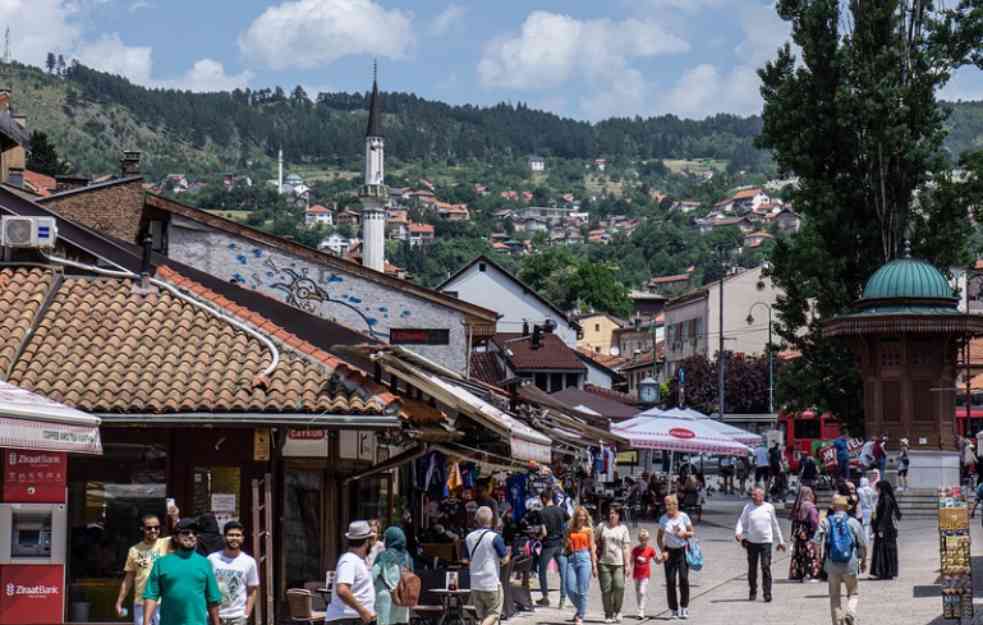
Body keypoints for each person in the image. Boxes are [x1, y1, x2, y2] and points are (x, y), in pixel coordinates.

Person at [143, 518, 222, 625]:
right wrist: (146, 621)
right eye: (185, 533)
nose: (191, 536)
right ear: (175, 538)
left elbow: (213, 599)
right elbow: (151, 595)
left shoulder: (205, 563)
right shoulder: (161, 563)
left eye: (194, 533)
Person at [814, 495, 866, 625]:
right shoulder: (853, 522)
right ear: (845, 508)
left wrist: (818, 557)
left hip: (832, 564)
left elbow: (816, 541)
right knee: (853, 593)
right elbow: (863, 544)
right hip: (851, 563)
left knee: (835, 597)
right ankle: (850, 613)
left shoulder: (826, 521)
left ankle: (838, 623)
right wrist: (863, 561)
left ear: (834, 507)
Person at [115, 514, 172, 625]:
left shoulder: (166, 543)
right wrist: (119, 602)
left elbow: (179, 535)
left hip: (163, 602)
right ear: (143, 529)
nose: (153, 530)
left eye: (156, 527)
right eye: (149, 528)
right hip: (141, 602)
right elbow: (128, 579)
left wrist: (174, 517)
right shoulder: (134, 550)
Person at [735, 487, 785, 602]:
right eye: (752, 495)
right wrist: (738, 532)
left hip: (766, 542)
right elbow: (741, 521)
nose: (752, 497)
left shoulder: (769, 507)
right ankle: (753, 591)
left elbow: (775, 524)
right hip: (751, 542)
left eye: (755, 495)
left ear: (762, 496)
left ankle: (767, 593)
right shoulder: (748, 507)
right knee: (752, 568)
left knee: (765, 566)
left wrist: (781, 541)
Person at [207, 521, 259, 625]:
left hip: (237, 618)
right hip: (214, 616)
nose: (234, 538)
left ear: (242, 539)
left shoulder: (249, 561)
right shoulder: (211, 559)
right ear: (224, 537)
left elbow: (252, 590)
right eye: (230, 535)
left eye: (238, 535)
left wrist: (246, 615)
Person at [325, 521, 377, 625]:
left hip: (355, 619)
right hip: (348, 620)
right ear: (367, 542)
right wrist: (362, 611)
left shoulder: (357, 560)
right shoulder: (349, 560)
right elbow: (342, 590)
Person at [466, 506, 510, 625]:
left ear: (476, 520)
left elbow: (465, 560)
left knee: (482, 616)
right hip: (491, 582)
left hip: (475, 583)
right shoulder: (495, 538)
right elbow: (505, 559)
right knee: (494, 614)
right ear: (491, 520)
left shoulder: (468, 537)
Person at [658, 495, 694, 620]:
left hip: (682, 551)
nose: (667, 507)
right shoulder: (663, 519)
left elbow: (692, 532)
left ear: (675, 505)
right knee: (671, 581)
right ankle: (673, 609)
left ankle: (684, 607)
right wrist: (663, 551)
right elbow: (659, 537)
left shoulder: (683, 516)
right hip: (669, 552)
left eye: (669, 504)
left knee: (684, 579)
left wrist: (685, 534)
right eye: (665, 504)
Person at [596, 506, 631, 624]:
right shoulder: (602, 527)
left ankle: (618, 610)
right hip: (604, 562)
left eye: (615, 513)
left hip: (619, 563)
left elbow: (626, 547)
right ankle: (608, 614)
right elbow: (595, 543)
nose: (612, 515)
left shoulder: (623, 528)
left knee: (619, 586)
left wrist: (627, 564)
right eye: (610, 513)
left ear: (619, 515)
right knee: (606, 590)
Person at [535, 488, 570, 608]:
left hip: (548, 545)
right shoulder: (561, 510)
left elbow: (544, 532)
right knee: (563, 572)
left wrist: (538, 537)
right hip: (560, 544)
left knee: (542, 570)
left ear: (544, 499)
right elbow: (569, 523)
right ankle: (563, 600)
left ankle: (545, 598)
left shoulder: (542, 512)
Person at [372, 526, 413, 625]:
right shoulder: (407, 556)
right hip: (402, 596)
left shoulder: (384, 555)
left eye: (385, 538)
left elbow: (373, 575)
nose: (383, 540)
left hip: (385, 597)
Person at [565, 506, 597, 625]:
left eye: (583, 515)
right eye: (579, 515)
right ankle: (581, 608)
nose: (581, 517)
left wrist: (594, 565)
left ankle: (580, 616)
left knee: (582, 590)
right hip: (572, 558)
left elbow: (592, 548)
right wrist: (567, 544)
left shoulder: (588, 530)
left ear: (586, 517)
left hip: (584, 558)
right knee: (569, 588)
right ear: (576, 516)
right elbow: (566, 545)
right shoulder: (570, 529)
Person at [869, 481, 902, 580]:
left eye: (877, 489)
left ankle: (884, 572)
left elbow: (885, 515)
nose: (876, 491)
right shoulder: (883, 498)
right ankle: (885, 572)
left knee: (883, 550)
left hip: (885, 529)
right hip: (885, 528)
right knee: (884, 550)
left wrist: (880, 528)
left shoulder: (886, 499)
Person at [788, 487, 821, 582]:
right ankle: (809, 574)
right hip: (808, 533)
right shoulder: (810, 506)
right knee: (810, 553)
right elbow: (814, 521)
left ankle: (798, 574)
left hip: (800, 533)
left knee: (800, 554)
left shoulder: (799, 505)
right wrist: (816, 529)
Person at [630, 529, 658, 619]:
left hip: (645, 574)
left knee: (642, 591)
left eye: (645, 539)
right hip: (636, 574)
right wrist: (627, 569)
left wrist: (663, 558)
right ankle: (640, 609)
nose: (643, 541)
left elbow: (657, 560)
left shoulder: (650, 550)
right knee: (638, 592)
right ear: (639, 539)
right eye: (642, 539)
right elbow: (631, 561)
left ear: (648, 539)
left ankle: (641, 610)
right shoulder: (635, 549)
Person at [856, 478, 877, 545]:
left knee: (863, 526)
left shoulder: (859, 490)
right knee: (867, 526)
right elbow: (875, 497)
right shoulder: (871, 490)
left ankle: (864, 541)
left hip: (862, 510)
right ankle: (866, 541)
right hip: (870, 509)